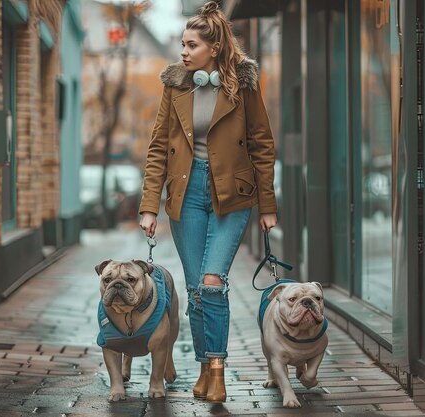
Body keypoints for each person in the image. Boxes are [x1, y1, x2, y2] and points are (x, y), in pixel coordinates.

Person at [138, 1, 277, 403]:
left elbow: (262, 146)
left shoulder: (245, 84)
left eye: (191, 44)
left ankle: (216, 371)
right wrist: (149, 205)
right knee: (197, 288)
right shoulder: (176, 85)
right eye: (182, 44)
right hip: (186, 193)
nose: (183, 51)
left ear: (213, 47)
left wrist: (267, 206)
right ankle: (203, 366)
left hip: (232, 195)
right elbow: (158, 147)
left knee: (213, 282)